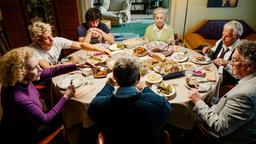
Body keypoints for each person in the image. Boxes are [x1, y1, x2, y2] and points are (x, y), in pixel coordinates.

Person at [0, 47, 89, 143]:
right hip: (24, 135)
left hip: (30, 121)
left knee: (66, 110)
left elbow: (52, 71)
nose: (40, 68)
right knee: (68, 113)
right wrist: (66, 96)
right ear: (20, 73)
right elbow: (46, 119)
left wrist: (77, 65)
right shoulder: (19, 97)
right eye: (34, 67)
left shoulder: (21, 80)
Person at [88, 57, 171, 144]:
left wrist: (108, 86)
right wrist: (145, 88)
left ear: (114, 77)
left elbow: (94, 105)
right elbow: (167, 110)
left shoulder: (98, 105)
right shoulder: (156, 103)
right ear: (138, 77)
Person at [188, 40, 256, 144]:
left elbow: (219, 128)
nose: (230, 63)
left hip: (224, 138)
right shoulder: (251, 78)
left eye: (234, 60)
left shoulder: (245, 95)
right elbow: (227, 102)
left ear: (248, 67)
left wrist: (198, 101)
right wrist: (209, 99)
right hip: (228, 119)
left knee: (187, 114)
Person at [29, 21, 111, 69]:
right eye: (47, 38)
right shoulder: (32, 51)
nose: (52, 39)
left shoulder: (57, 40)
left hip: (56, 69)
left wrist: (101, 50)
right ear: (38, 41)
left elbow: (81, 45)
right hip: (43, 80)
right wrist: (71, 63)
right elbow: (48, 69)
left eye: (51, 35)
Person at [202, 20, 243, 85]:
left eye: (227, 36)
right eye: (223, 34)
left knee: (204, 82)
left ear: (237, 37)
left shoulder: (241, 51)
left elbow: (239, 75)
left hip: (224, 78)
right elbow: (212, 51)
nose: (223, 38)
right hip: (212, 70)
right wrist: (208, 51)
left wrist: (226, 64)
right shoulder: (221, 41)